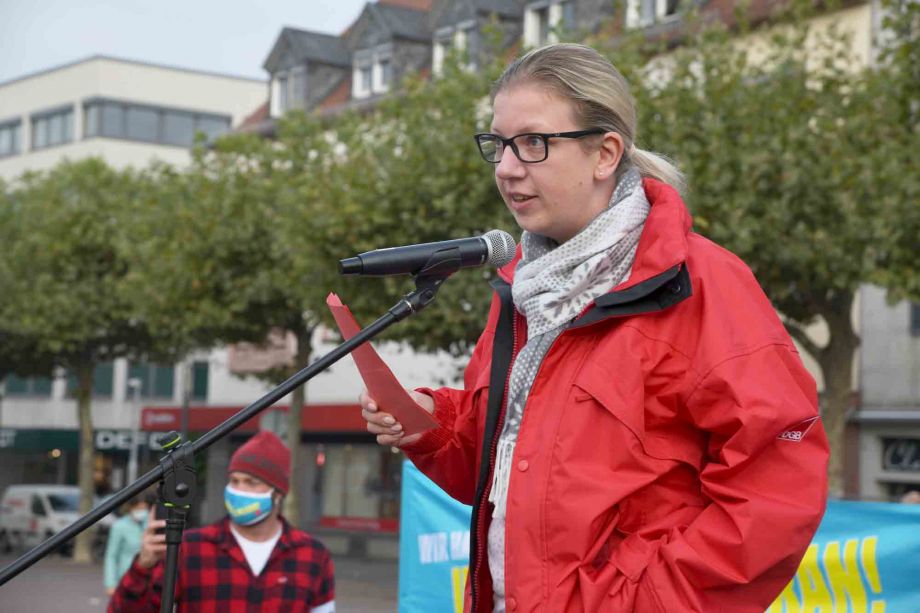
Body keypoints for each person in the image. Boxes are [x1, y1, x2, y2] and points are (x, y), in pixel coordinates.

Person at [361, 43, 829, 613]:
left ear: (605, 153)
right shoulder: (521, 288)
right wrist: (435, 425)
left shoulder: (705, 283)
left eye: (533, 143)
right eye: (498, 144)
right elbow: (514, 467)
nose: (507, 167)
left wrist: (649, 600)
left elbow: (776, 486)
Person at [108, 430, 335, 612]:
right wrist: (143, 566)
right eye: (234, 480)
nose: (239, 489)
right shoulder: (190, 548)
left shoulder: (312, 555)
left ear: (278, 494)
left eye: (251, 482)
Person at [103, 493, 154, 596]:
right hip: (126, 577)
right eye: (138, 508)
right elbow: (111, 556)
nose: (142, 512)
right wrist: (110, 583)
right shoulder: (119, 526)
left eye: (144, 508)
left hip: (149, 578)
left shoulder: (151, 524)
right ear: (131, 507)